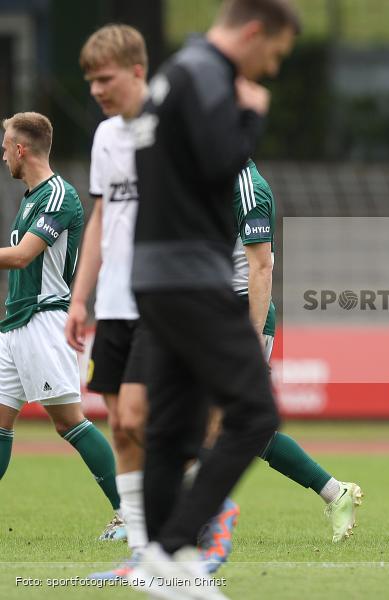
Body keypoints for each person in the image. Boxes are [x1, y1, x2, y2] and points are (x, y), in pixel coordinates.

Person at [129, 0, 300, 593]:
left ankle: (163, 569)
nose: (269, 71)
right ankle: (174, 548)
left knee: (171, 430)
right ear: (254, 32)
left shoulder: (171, 75)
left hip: (151, 275)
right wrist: (252, 118)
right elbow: (218, 164)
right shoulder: (207, 75)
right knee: (256, 415)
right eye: (272, 55)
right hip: (191, 276)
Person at [197, 158, 362, 571]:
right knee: (238, 428)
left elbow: (262, 265)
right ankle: (334, 492)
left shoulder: (247, 185)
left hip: (239, 316)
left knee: (212, 422)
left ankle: (198, 524)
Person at [0, 112, 121, 537]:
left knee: (69, 421)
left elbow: (21, 256)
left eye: (4, 147)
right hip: (13, 325)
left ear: (21, 149)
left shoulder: (58, 196)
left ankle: (130, 512)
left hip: (43, 321)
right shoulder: (31, 198)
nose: (2, 156)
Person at [66, 25, 151, 559]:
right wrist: (81, 297)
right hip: (115, 304)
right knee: (119, 425)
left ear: (137, 71)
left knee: (141, 417)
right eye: (90, 81)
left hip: (162, 299)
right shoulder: (105, 136)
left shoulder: (169, 128)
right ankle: (143, 549)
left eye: (105, 78)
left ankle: (185, 524)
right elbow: (102, 213)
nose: (96, 89)